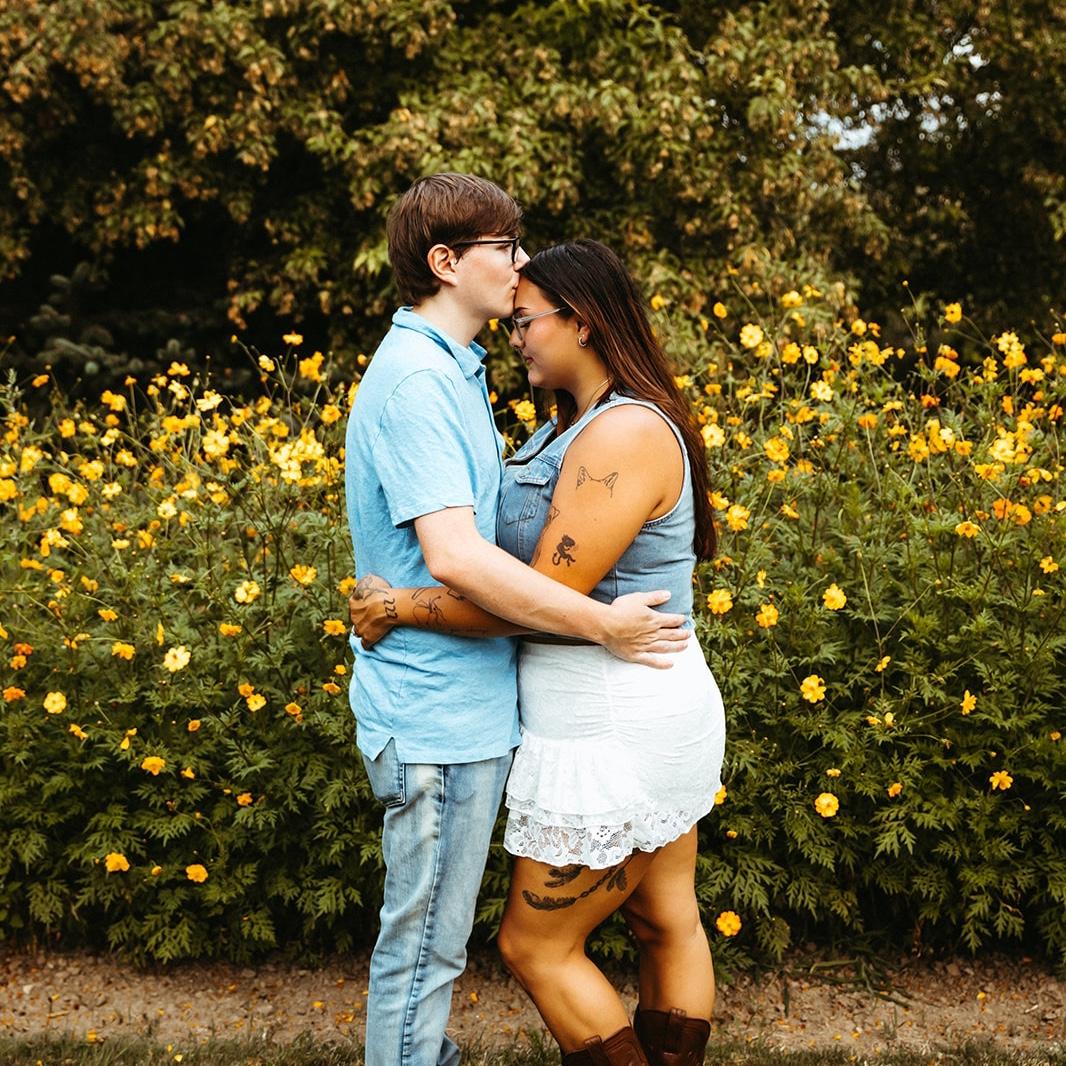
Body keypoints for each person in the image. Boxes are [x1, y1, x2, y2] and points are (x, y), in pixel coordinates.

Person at [351, 239, 725, 1066]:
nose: (514, 338)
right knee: (664, 917)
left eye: (526, 321)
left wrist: (397, 605)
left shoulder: (621, 434)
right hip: (632, 701)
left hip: (614, 718)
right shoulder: (580, 423)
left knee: (535, 944)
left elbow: (538, 601)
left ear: (581, 322)